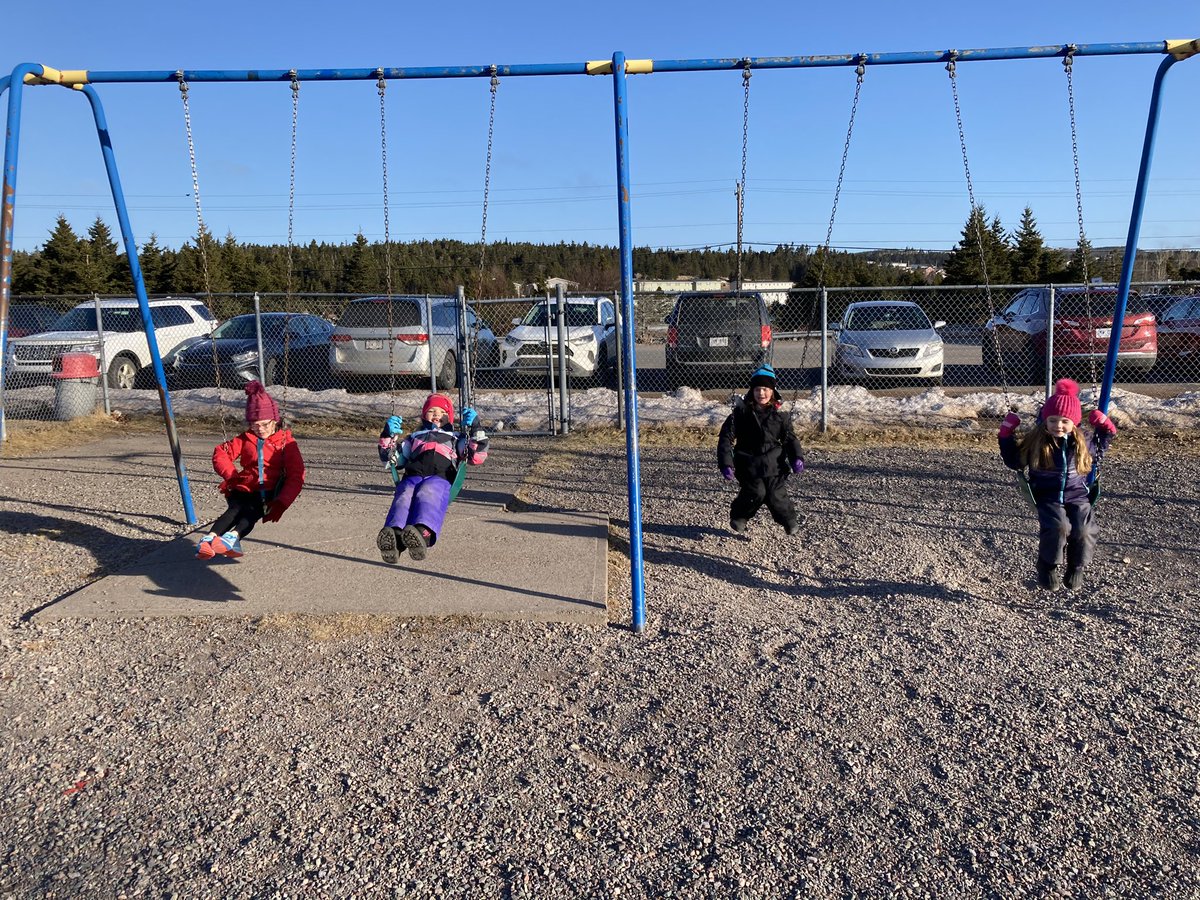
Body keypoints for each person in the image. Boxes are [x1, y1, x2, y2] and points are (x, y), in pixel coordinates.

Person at [998, 378, 1117, 591]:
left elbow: (1102, 448)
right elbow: (1014, 461)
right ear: (1045, 420)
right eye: (1052, 420)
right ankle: (1048, 566)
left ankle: (1076, 567)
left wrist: (1106, 427)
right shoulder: (1037, 440)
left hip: (1077, 495)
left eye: (1064, 421)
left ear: (1074, 423)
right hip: (1046, 495)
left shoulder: (1085, 441)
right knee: (1058, 526)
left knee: (1084, 530)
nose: (1058, 426)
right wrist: (1006, 434)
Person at [197, 381, 306, 559]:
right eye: (254, 425)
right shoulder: (246, 438)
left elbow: (296, 475)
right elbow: (221, 453)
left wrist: (283, 501)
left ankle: (229, 538)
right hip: (244, 485)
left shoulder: (286, 443)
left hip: (268, 491)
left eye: (264, 424)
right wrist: (231, 475)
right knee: (234, 510)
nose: (260, 429)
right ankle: (210, 540)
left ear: (275, 420)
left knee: (251, 512)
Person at [376, 393, 488, 563]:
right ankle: (395, 536)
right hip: (412, 475)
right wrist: (387, 435)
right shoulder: (414, 437)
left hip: (440, 477)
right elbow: (394, 459)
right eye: (432, 411)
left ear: (449, 417)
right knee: (404, 494)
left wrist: (475, 428)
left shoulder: (457, 438)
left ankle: (423, 533)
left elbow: (476, 456)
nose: (437, 414)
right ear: (424, 415)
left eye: (442, 412)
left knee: (428, 493)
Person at [716, 365, 805, 535]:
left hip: (774, 464)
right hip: (747, 462)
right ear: (752, 391)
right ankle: (739, 517)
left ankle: (789, 520)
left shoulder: (779, 416)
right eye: (757, 389)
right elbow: (725, 438)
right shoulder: (740, 414)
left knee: (775, 494)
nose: (761, 393)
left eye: (765, 389)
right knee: (756, 492)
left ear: (772, 391)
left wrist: (796, 458)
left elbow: (790, 439)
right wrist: (726, 463)